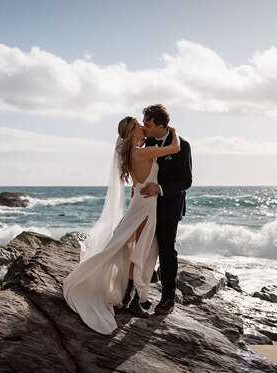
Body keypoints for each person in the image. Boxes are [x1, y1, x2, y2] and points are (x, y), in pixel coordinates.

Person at [63, 116, 181, 335]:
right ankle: (134, 300)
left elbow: (138, 183)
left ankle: (129, 297)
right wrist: (172, 131)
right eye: (140, 126)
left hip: (142, 203)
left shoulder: (133, 152)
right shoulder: (140, 152)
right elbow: (175, 148)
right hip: (146, 207)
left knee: (136, 249)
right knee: (142, 251)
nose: (143, 128)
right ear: (133, 132)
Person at [140, 104, 192, 315]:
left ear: (161, 125)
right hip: (146, 206)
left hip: (169, 206)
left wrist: (160, 189)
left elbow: (186, 181)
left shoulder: (182, 145)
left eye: (148, 124)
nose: (144, 127)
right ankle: (140, 292)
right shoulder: (148, 142)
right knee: (142, 245)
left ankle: (168, 297)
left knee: (166, 251)